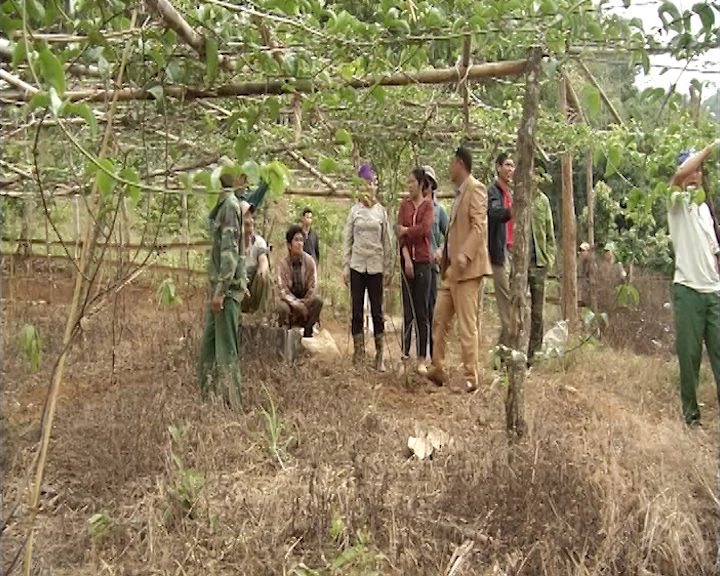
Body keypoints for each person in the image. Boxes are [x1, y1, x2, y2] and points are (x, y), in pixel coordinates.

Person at [198, 164, 268, 408]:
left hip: (225, 293)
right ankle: (208, 403)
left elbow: (229, 255)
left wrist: (220, 292)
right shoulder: (225, 204)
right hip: (219, 291)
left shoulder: (229, 207)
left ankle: (233, 408)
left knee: (226, 352)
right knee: (208, 352)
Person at [427, 147, 492, 392]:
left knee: (467, 326)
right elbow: (455, 231)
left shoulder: (475, 189)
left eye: (452, 163)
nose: (449, 167)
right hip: (452, 270)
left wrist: (465, 253)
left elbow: (479, 226)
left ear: (460, 163)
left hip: (468, 271)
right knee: (439, 317)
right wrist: (446, 250)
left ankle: (470, 377)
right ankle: (437, 368)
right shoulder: (458, 195)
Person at [668, 142, 720, 426]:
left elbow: (714, 251)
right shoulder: (675, 202)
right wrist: (711, 147)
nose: (694, 174)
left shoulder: (703, 210)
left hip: (713, 292)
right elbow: (678, 176)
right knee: (689, 359)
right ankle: (691, 417)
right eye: (691, 168)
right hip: (688, 289)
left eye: (699, 170)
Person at [343, 163, 392, 371]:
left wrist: (388, 268)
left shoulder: (381, 213)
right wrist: (346, 267)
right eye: (365, 184)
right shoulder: (354, 212)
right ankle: (358, 353)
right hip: (357, 265)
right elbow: (347, 240)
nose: (369, 188)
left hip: (376, 266)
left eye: (372, 184)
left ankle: (379, 355)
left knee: (377, 310)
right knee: (356, 309)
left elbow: (387, 241)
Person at [397, 167, 434, 374]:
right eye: (408, 182)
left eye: (412, 182)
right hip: (407, 261)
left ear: (421, 184)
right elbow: (399, 233)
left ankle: (421, 357)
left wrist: (407, 231)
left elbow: (425, 230)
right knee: (407, 311)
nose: (409, 186)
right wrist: (405, 257)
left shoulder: (428, 206)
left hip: (423, 262)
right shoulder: (404, 205)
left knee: (422, 311)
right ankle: (404, 356)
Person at [487, 154, 515, 347]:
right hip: (499, 253)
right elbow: (494, 213)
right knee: (506, 306)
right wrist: (512, 210)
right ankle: (505, 353)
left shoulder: (510, 193)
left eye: (512, 165)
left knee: (512, 303)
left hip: (512, 252)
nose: (510, 169)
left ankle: (501, 353)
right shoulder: (493, 191)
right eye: (507, 164)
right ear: (498, 167)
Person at [527, 183, 556, 365]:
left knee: (537, 313)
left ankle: (534, 356)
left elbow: (550, 234)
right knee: (514, 310)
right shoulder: (516, 197)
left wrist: (549, 259)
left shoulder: (542, 200)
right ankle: (508, 354)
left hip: (538, 263)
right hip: (519, 264)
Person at [277, 225, 324, 338]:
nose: (300, 243)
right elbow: (283, 290)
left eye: (301, 240)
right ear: (289, 245)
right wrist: (297, 305)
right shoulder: (283, 264)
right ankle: (285, 336)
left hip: (306, 305)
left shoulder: (310, 261)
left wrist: (304, 304)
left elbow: (313, 287)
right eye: (296, 240)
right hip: (291, 306)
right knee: (281, 306)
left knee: (318, 301)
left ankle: (308, 332)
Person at [424, 165, 448, 360]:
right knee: (415, 312)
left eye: (429, 181)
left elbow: (449, 234)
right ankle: (414, 355)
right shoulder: (411, 206)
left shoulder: (439, 210)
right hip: (415, 265)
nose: (426, 185)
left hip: (432, 266)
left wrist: (440, 250)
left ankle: (434, 356)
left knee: (432, 311)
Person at [241, 211, 271, 314]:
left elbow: (263, 260)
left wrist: (262, 272)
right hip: (238, 282)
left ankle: (260, 313)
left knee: (266, 276)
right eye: (246, 223)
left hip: (253, 282)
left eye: (251, 221)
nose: (250, 226)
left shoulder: (258, 242)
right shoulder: (232, 243)